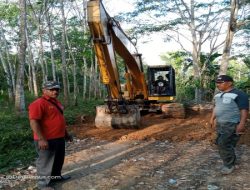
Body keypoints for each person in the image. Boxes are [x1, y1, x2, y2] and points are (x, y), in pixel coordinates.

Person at [28, 81, 72, 190]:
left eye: (57, 89)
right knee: (45, 162)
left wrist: (66, 134)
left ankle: (55, 177)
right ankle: (43, 185)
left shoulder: (56, 102)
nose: (55, 91)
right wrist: (41, 139)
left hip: (59, 138)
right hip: (47, 139)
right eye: (51, 89)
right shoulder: (38, 103)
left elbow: (59, 119)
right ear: (44, 91)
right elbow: (34, 122)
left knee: (58, 160)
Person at [210, 75, 249, 175]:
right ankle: (231, 161)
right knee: (222, 143)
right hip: (220, 123)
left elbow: (244, 110)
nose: (218, 85)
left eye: (221, 82)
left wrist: (242, 123)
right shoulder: (218, 95)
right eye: (217, 83)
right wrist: (212, 119)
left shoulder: (239, 94)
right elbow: (216, 107)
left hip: (231, 124)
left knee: (223, 144)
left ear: (230, 83)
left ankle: (229, 165)